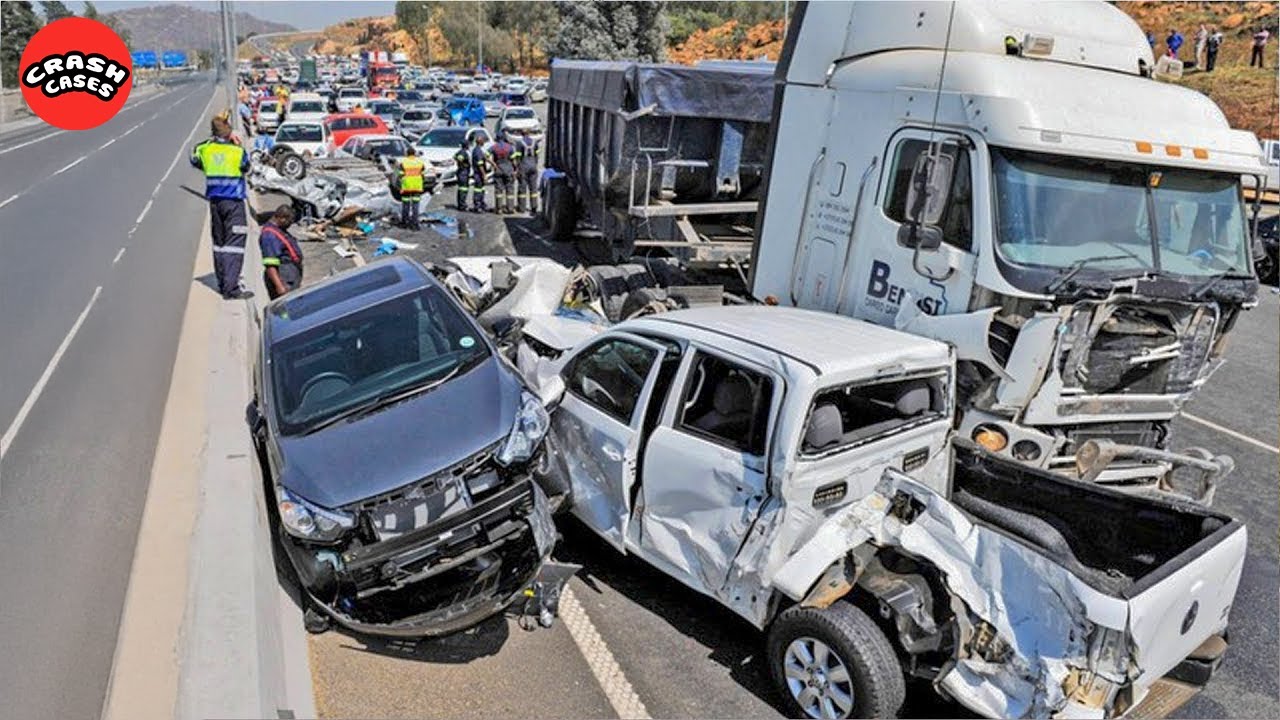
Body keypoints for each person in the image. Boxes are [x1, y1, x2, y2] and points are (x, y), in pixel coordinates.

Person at [190, 117, 253, 300]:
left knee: (219, 243)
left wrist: (211, 140)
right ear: (229, 132)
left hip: (215, 203)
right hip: (233, 203)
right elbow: (246, 167)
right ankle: (231, 288)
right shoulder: (237, 151)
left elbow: (194, 157)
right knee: (234, 245)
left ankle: (222, 281)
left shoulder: (206, 149)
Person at [259, 204, 303, 300]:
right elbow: (270, 264)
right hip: (283, 279)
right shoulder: (269, 235)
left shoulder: (279, 230)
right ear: (282, 218)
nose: (290, 224)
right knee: (285, 311)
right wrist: (279, 286)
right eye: (289, 221)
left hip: (290, 276)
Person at [397, 146, 426, 229]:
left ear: (407, 154)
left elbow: (400, 175)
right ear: (414, 153)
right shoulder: (420, 162)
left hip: (406, 186)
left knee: (406, 205)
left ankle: (404, 223)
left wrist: (400, 185)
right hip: (417, 186)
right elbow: (423, 172)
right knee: (415, 206)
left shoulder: (404, 163)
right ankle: (415, 224)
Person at [489, 133, 518, 214]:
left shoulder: (494, 147)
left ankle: (499, 209)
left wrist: (493, 164)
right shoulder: (509, 147)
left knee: (498, 190)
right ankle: (510, 208)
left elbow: (486, 155)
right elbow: (514, 161)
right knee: (510, 190)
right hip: (509, 170)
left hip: (498, 169)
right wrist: (515, 170)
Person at [516, 128, 540, 214]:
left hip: (524, 166)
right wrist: (535, 164)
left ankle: (522, 208)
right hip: (533, 166)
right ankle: (534, 208)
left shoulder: (519, 143)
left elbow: (518, 157)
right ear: (529, 133)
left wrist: (517, 169)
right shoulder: (535, 142)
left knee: (522, 188)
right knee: (533, 188)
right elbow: (537, 155)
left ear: (521, 134)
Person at [468, 134, 490, 213]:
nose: (484, 142)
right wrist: (484, 175)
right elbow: (480, 164)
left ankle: (481, 203)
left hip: (479, 174)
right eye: (483, 141)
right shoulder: (477, 151)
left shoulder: (479, 150)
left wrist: (493, 163)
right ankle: (477, 205)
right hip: (478, 174)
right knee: (478, 190)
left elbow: (485, 157)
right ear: (481, 142)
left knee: (481, 189)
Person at [453, 140, 472, 210]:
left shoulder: (460, 151)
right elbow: (459, 158)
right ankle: (462, 205)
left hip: (462, 172)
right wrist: (463, 164)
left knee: (462, 188)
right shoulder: (463, 152)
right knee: (463, 189)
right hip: (463, 172)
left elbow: (454, 156)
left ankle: (461, 204)